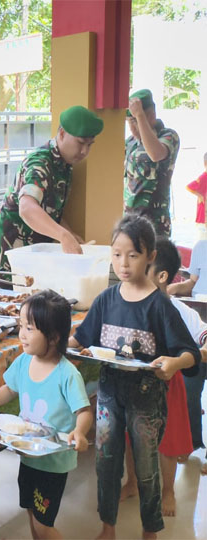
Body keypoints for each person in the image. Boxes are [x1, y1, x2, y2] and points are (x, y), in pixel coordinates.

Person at [69, 214, 200, 540]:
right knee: (106, 464)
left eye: (133, 255)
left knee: (145, 468)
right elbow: (80, 339)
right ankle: (108, 528)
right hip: (110, 395)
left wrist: (173, 362)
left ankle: (150, 530)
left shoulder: (160, 306)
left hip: (147, 397)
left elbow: (190, 354)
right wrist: (58, 345)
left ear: (150, 257)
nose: (123, 264)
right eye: (116, 254)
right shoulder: (105, 301)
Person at [0, 290, 93, 540]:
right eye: (20, 326)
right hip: (28, 457)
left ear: (53, 337)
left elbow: (84, 411)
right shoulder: (24, 362)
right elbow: (9, 389)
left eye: (29, 328)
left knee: (43, 524)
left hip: (52, 464)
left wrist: (79, 432)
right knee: (31, 512)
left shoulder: (67, 374)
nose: (22, 334)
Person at [121, 237, 207, 514]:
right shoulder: (128, 304)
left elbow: (203, 338)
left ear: (162, 276)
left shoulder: (181, 312)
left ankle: (168, 491)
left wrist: (192, 354)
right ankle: (132, 481)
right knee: (130, 436)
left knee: (168, 443)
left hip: (170, 388)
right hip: (134, 384)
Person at [0, 106, 103, 276]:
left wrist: (69, 234)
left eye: (89, 145)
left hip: (35, 258)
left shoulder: (64, 164)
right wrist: (63, 235)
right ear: (62, 134)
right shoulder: (40, 163)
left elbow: (49, 210)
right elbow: (27, 208)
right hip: (11, 257)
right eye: (80, 143)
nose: (84, 151)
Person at [124, 89, 180, 237]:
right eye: (130, 122)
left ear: (152, 115)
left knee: (156, 260)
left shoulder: (168, 136)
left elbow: (156, 154)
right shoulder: (130, 143)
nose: (132, 128)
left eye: (135, 121)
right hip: (130, 223)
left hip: (156, 224)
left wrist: (139, 116)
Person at [185, 152, 207, 225]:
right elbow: (189, 187)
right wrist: (199, 195)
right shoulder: (203, 177)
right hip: (203, 214)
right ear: (205, 164)